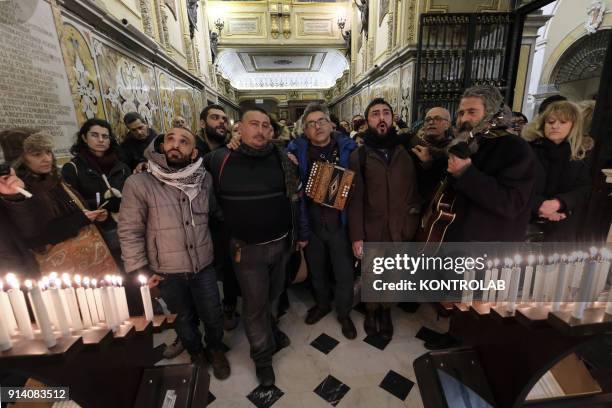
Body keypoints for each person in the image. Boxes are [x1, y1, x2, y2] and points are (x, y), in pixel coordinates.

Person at [425, 86, 536, 350]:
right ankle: (457, 337)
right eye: (461, 112)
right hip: (462, 236)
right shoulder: (469, 143)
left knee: (482, 305)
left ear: (492, 113)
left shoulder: (514, 148)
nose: (464, 118)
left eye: (472, 111)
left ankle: (476, 353)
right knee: (459, 299)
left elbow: (511, 203)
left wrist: (467, 173)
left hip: (490, 244)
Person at [118, 126, 230, 380]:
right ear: (161, 146)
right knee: (182, 318)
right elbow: (130, 229)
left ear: (194, 153)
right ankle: (196, 352)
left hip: (203, 264)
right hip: (166, 268)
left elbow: (215, 213)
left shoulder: (204, 179)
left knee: (213, 313)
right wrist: (140, 269)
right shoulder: (139, 183)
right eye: (171, 139)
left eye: (184, 141)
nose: (175, 145)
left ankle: (214, 349)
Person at [204, 107, 298, 387]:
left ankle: (270, 329)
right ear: (239, 130)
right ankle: (262, 357)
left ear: (271, 131)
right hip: (247, 251)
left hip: (281, 245)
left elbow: (295, 194)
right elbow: (201, 191)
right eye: (253, 124)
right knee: (255, 304)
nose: (260, 130)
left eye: (265, 125)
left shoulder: (283, 159)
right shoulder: (218, 159)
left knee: (274, 296)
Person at [348, 98, 421, 340]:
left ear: (392, 118)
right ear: (367, 121)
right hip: (372, 228)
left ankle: (386, 311)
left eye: (386, 113)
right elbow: (355, 199)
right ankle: (371, 311)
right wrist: (357, 236)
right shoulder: (359, 155)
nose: (381, 118)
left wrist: (411, 220)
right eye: (375, 114)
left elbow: (422, 184)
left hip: (400, 228)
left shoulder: (408, 150)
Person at [0, 130, 118, 277]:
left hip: (90, 262)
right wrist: (80, 219)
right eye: (37, 154)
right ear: (19, 159)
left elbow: (68, 207)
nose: (47, 158)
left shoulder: (52, 180)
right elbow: (35, 236)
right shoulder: (18, 192)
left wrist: (95, 212)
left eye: (48, 152)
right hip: (60, 272)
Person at [287, 102, 358, 339]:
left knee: (344, 272)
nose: (317, 126)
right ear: (304, 130)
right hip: (312, 223)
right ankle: (323, 304)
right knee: (316, 270)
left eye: (321, 121)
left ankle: (344, 313)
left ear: (331, 124)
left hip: (341, 223)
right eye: (310, 124)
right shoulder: (295, 151)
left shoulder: (350, 148)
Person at [522, 101, 593, 241]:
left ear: (573, 125)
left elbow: (584, 189)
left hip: (564, 224)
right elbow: (517, 184)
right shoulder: (527, 150)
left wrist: (559, 203)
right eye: (550, 121)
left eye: (562, 121)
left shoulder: (581, 154)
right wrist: (539, 206)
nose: (555, 126)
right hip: (526, 222)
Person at [61, 119, 131, 259]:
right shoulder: (73, 168)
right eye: (94, 135)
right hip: (96, 232)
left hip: (127, 229)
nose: (100, 140)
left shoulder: (122, 167)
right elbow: (70, 203)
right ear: (84, 138)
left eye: (105, 136)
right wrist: (101, 204)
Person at [197, 105, 240, 330]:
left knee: (229, 263)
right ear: (203, 123)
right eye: (215, 118)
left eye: (224, 118)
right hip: (196, 221)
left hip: (224, 220)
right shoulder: (192, 149)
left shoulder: (230, 148)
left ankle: (229, 306)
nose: (221, 122)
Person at [410, 107, 454, 203]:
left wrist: (429, 164)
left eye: (437, 119)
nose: (431, 122)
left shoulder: (455, 151)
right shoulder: (414, 145)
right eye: (428, 120)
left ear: (447, 125)